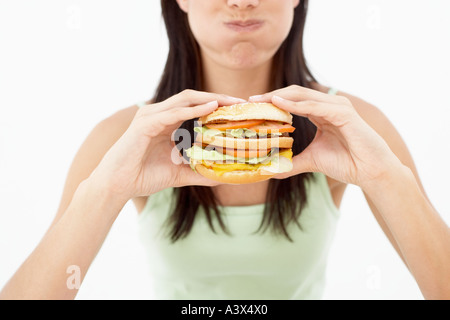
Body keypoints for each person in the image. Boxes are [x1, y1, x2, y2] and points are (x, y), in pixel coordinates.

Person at [1, 0, 449, 300]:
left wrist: (385, 179)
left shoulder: (347, 124)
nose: (241, 0)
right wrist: (106, 190)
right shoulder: (125, 136)